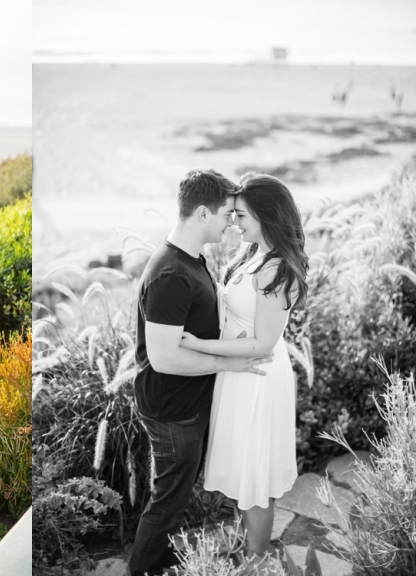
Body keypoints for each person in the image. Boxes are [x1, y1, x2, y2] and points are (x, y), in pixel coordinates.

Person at [129, 168, 272, 576]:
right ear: (204, 213)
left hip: (185, 406)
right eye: (228, 214)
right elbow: (164, 359)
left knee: (173, 495)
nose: (232, 223)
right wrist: (230, 364)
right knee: (168, 500)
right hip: (172, 410)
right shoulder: (171, 274)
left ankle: (159, 560)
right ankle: (142, 569)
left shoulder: (190, 258)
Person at [179, 173, 308, 560]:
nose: (234, 221)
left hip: (257, 375)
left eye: (241, 214)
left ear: (267, 216)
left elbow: (264, 342)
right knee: (242, 468)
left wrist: (199, 344)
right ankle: (250, 548)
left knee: (255, 479)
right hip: (237, 371)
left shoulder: (276, 269)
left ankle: (257, 560)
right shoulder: (252, 254)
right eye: (232, 214)